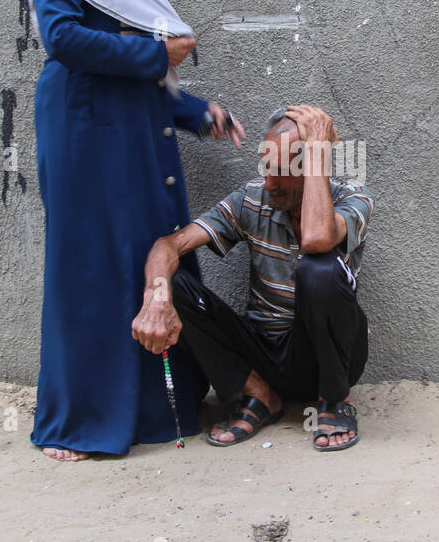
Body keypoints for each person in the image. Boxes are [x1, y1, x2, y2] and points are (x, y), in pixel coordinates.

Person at [26, 0, 244, 460]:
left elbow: (140, 70)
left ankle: (156, 409)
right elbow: (62, 38)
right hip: (83, 129)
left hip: (129, 127)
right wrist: (156, 54)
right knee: (91, 270)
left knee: (145, 258)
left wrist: (198, 113)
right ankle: (78, 420)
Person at [132, 105, 374, 452]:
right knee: (174, 285)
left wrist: (319, 152)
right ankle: (260, 394)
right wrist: (156, 299)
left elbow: (318, 239)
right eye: (266, 167)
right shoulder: (252, 198)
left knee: (319, 267)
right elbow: (168, 245)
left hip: (330, 359)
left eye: (282, 171)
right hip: (263, 351)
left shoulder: (354, 199)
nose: (269, 182)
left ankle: (332, 400)